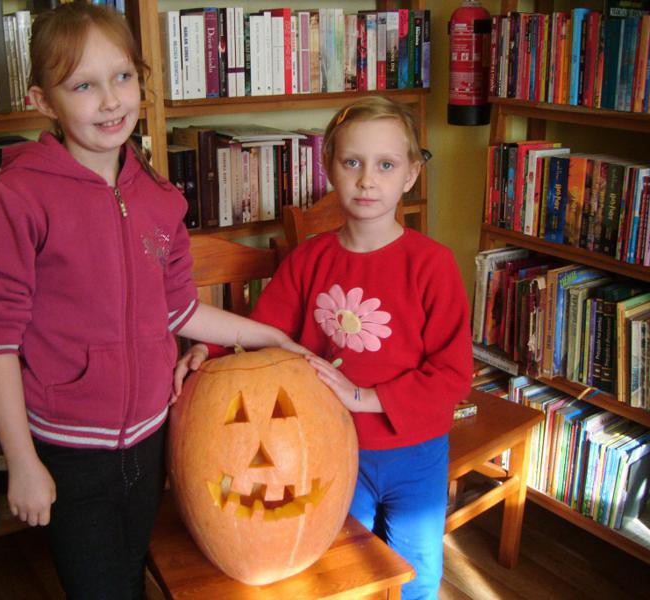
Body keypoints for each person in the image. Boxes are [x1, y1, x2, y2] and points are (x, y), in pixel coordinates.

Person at [0, 4, 305, 599]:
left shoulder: (159, 197)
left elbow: (179, 310)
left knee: (129, 573)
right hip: (69, 449)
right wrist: (22, 462)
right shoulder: (17, 200)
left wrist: (268, 336)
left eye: (122, 77)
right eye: (83, 86)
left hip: (151, 438)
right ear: (44, 101)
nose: (110, 100)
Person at [174, 96, 473, 599]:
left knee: (417, 571)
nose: (367, 180)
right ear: (329, 167)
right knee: (344, 567)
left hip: (415, 450)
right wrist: (210, 349)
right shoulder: (309, 259)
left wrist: (365, 397)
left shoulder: (432, 264)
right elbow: (263, 329)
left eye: (385, 165)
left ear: (411, 175)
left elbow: (452, 375)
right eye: (352, 162)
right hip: (325, 446)